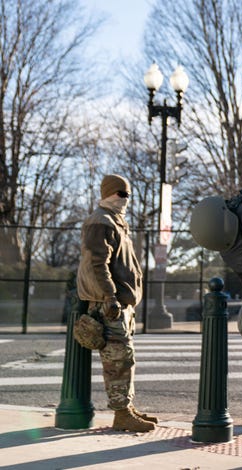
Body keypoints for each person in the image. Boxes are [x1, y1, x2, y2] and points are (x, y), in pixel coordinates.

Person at [77, 174, 157, 432]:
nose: (125, 199)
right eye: (121, 194)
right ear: (109, 193)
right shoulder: (100, 221)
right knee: (118, 359)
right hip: (109, 304)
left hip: (120, 303)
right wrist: (110, 296)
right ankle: (121, 414)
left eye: (127, 195)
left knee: (125, 357)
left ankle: (126, 407)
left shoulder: (114, 221)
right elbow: (96, 263)